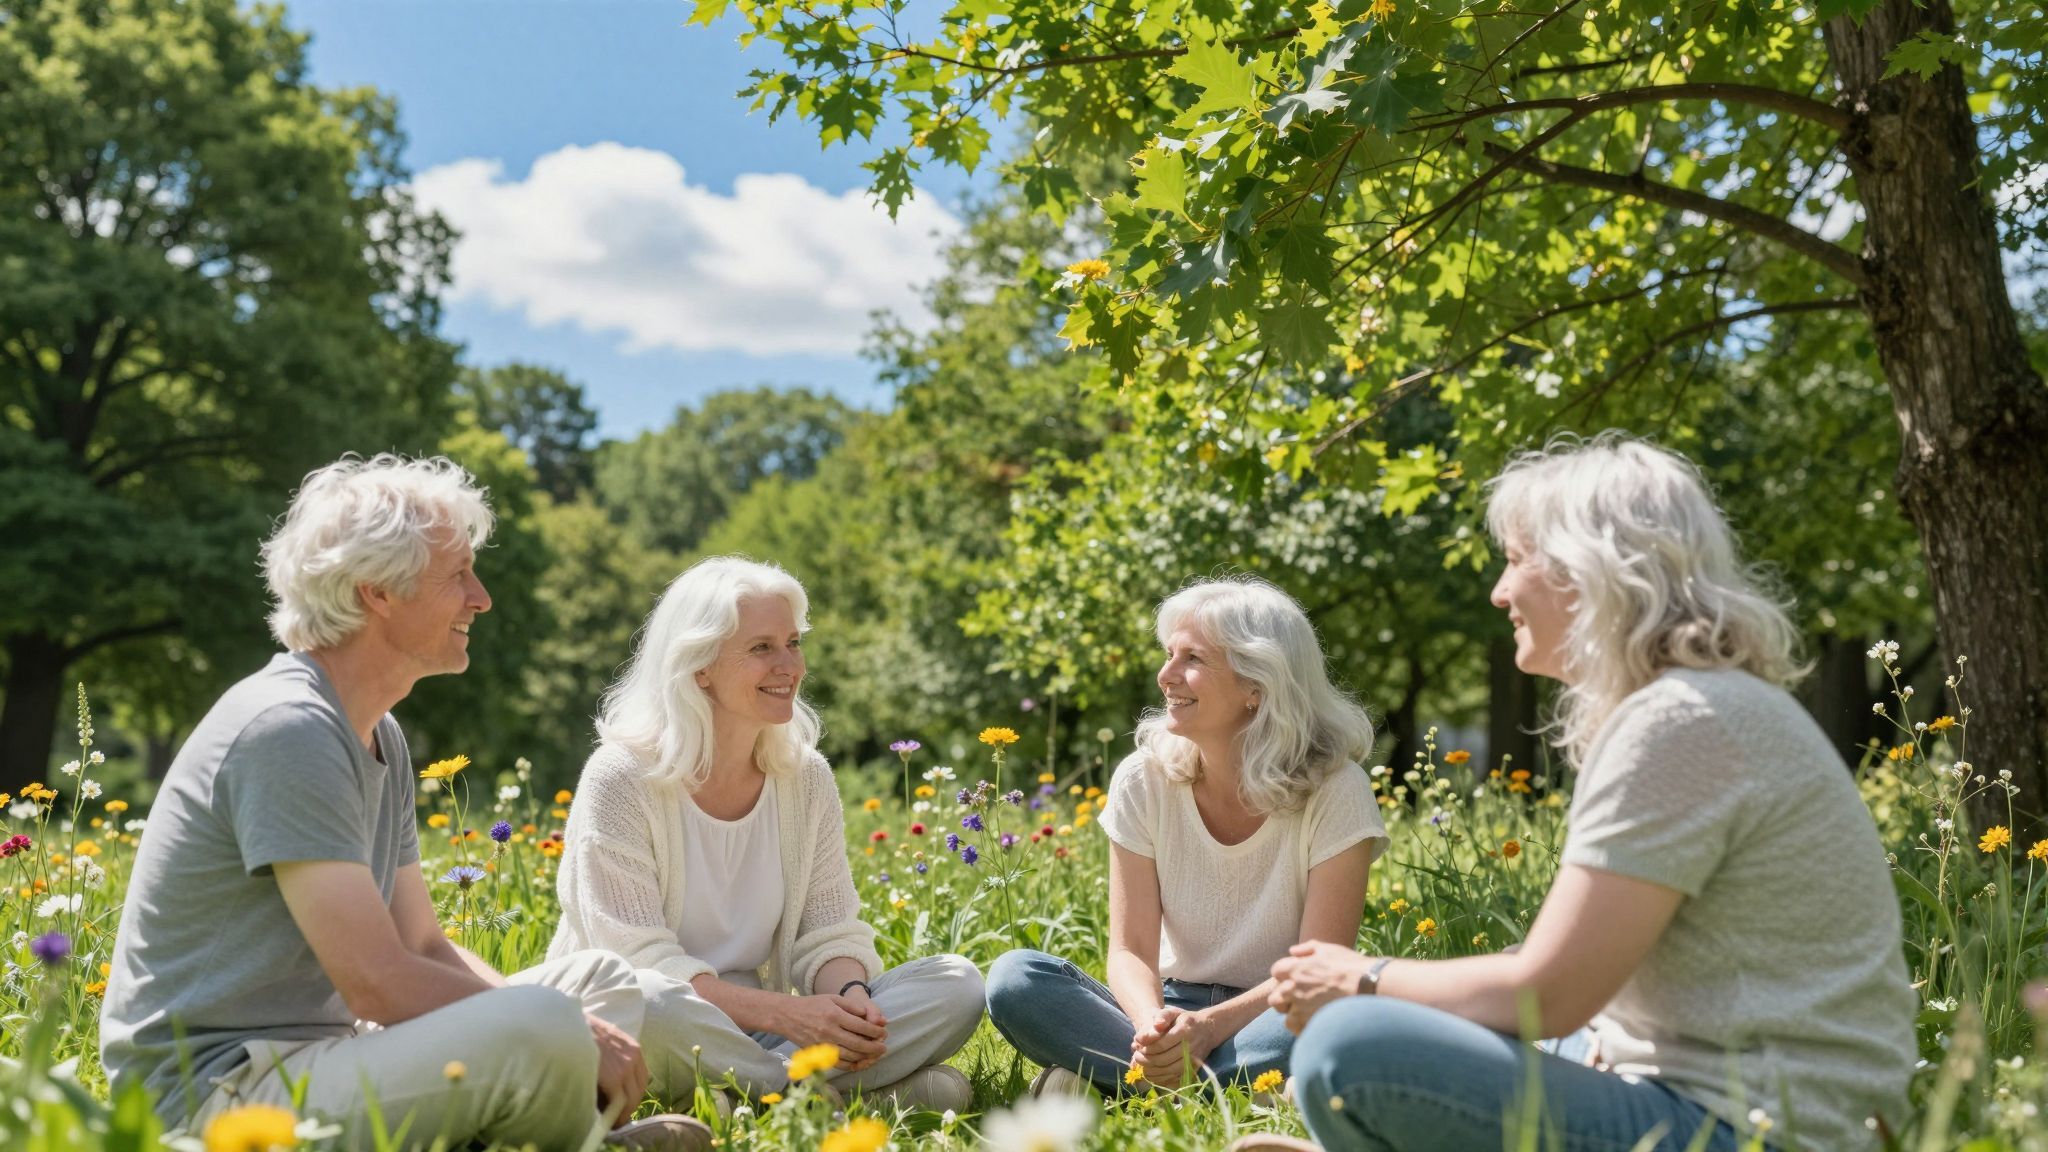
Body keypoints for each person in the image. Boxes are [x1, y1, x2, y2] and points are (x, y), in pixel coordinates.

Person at [1241, 435, 1917, 1152]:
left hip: (1759, 1131)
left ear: (1587, 568)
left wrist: (1364, 977)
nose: (1500, 592)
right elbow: (1575, 985)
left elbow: (1550, 996)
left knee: (1349, 1048)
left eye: (1515, 559)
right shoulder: (1700, 706)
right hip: (1699, 1094)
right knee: (1449, 1019)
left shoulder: (1681, 721)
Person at [100, 454, 708, 1152]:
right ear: (377, 592)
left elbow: (420, 943)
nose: (480, 598)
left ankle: (538, 1122)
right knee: (545, 1021)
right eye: (458, 576)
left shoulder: (374, 730)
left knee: (600, 984)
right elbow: (376, 984)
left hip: (316, 1055)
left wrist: (562, 1025)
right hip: (214, 1099)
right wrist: (553, 1032)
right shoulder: (287, 729)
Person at [548, 556, 985, 1112]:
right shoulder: (622, 778)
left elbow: (828, 931)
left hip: (763, 1031)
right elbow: (637, 961)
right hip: (642, 1025)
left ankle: (749, 1095)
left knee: (959, 984)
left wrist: (850, 1005)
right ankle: (817, 1096)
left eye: (793, 643)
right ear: (699, 665)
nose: (789, 666)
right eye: (761, 648)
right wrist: (786, 1014)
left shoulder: (805, 778)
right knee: (650, 1002)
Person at [985, 576, 1386, 1096]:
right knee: (1016, 980)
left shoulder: (1337, 789)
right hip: (1166, 1008)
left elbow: (1322, 964)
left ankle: (1118, 1081)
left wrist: (1213, 1027)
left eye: (1191, 659)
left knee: (1338, 1014)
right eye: (1169, 654)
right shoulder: (1141, 778)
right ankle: (1227, 1083)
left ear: (1255, 684)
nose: (1165, 675)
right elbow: (1129, 950)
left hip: (1272, 1012)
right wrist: (1154, 1026)